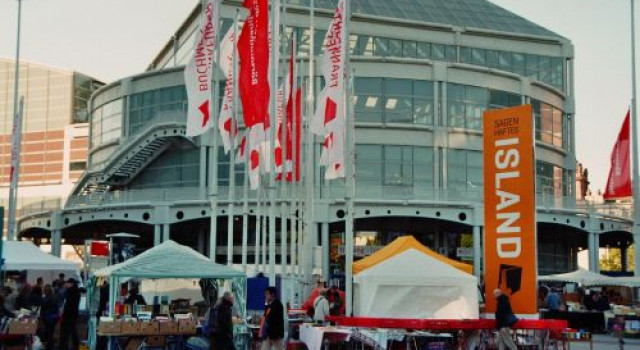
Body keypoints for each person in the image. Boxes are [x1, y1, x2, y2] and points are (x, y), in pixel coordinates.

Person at [59, 278, 81, 350]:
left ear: (71, 284)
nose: (66, 284)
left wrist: (63, 313)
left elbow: (66, 302)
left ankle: (64, 347)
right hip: (73, 314)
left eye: (67, 283)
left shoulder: (70, 291)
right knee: (73, 331)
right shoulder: (77, 291)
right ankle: (75, 346)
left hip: (68, 315)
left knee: (66, 333)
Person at [41, 285, 59, 350]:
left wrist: (42, 319)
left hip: (48, 318)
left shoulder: (45, 299)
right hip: (54, 317)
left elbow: (43, 309)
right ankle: (51, 346)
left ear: (46, 291)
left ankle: (49, 347)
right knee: (51, 333)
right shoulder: (54, 297)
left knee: (49, 333)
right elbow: (57, 308)